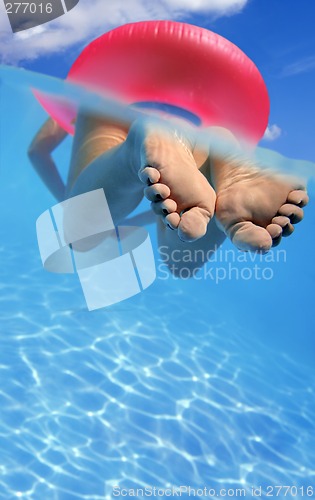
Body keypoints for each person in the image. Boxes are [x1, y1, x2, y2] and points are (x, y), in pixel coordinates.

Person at [28, 111, 308, 276]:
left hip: (111, 113)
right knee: (181, 266)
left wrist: (66, 201)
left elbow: (37, 151)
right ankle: (219, 153)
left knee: (79, 233)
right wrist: (133, 222)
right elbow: (160, 194)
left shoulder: (93, 77)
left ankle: (132, 152)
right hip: (189, 122)